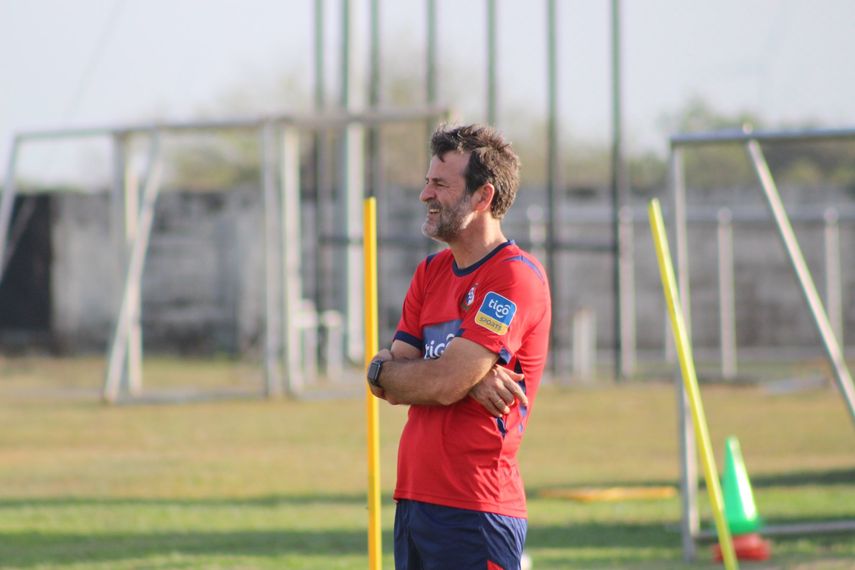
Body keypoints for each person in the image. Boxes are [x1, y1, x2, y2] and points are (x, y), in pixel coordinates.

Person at [366, 123, 551, 570]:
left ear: (482, 197)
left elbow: (440, 380)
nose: (425, 195)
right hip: (413, 500)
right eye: (427, 182)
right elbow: (392, 384)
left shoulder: (512, 277)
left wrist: (435, 375)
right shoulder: (429, 273)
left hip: (475, 509)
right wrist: (385, 373)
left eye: (440, 185)